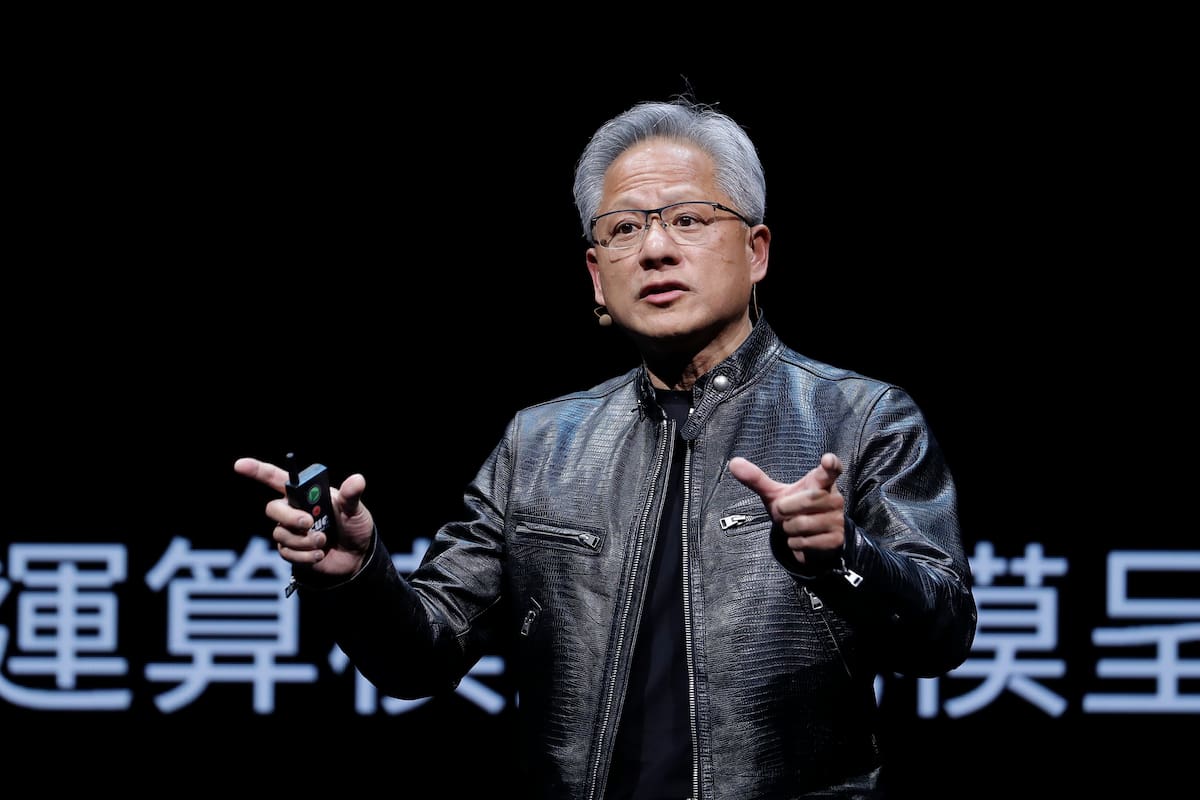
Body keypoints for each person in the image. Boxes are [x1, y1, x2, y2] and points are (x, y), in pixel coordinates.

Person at [235, 96, 977, 799]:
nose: (654, 248)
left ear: (756, 251)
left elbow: (942, 632)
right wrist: (354, 575)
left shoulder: (862, 416)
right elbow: (419, 658)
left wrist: (842, 557)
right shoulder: (540, 443)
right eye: (622, 229)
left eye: (689, 219)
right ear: (596, 275)